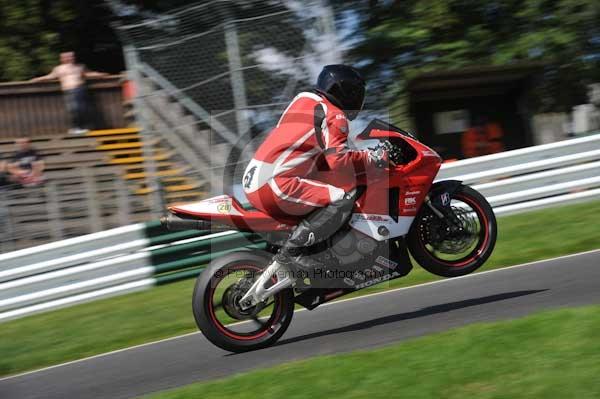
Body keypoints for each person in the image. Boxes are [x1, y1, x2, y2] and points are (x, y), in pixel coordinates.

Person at [242, 64, 391, 271]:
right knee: (342, 197)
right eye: (357, 93)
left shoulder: (303, 102)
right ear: (344, 92)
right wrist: (372, 157)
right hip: (277, 183)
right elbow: (338, 160)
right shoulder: (334, 114)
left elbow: (313, 153)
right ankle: (295, 252)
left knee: (325, 193)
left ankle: (310, 252)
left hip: (255, 179)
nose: (359, 99)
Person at [30, 51, 108, 135]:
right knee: (74, 109)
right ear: (62, 59)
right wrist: (38, 79)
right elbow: (50, 76)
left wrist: (100, 74)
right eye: (67, 57)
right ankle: (75, 128)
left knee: (83, 109)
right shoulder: (59, 68)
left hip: (80, 89)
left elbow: (88, 74)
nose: (70, 58)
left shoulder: (80, 66)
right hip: (69, 90)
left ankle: (82, 127)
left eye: (71, 56)